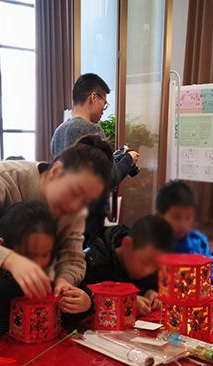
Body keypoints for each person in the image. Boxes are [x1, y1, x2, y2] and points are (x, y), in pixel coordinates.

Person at [0, 134, 113, 300]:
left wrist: (65, 281)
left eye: (86, 201)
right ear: (56, 171)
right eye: (75, 192)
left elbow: (73, 258)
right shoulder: (4, 177)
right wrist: (10, 260)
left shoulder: (74, 211)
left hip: (34, 299)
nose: (76, 207)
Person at [0, 201, 91, 344]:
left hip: (21, 347)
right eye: (29, 256)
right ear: (2, 247)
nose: (38, 265)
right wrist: (17, 284)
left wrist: (84, 305)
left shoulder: (50, 271)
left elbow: (64, 314)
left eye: (45, 254)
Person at [50, 73, 140, 246]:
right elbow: (109, 177)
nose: (103, 110)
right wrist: (128, 159)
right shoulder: (92, 130)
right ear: (93, 97)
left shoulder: (59, 131)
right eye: (104, 103)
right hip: (90, 220)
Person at [84, 215, 174, 316]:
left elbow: (153, 283)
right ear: (127, 244)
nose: (148, 271)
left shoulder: (146, 258)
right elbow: (85, 296)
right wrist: (126, 302)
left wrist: (151, 291)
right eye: (144, 262)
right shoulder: (95, 260)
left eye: (155, 267)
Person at [154, 181, 213, 286]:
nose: (183, 224)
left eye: (188, 217)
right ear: (159, 217)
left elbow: (210, 264)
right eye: (176, 217)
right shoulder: (151, 243)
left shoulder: (196, 242)